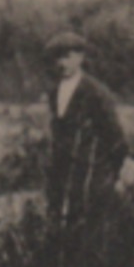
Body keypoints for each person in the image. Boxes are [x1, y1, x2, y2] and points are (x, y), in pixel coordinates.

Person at [43, 31, 128, 231]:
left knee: (89, 235)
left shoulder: (96, 93)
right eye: (57, 57)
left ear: (80, 57)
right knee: (63, 232)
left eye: (67, 56)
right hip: (63, 176)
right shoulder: (55, 92)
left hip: (91, 176)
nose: (61, 63)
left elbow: (116, 141)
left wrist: (108, 174)